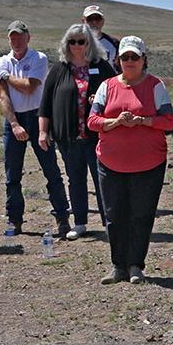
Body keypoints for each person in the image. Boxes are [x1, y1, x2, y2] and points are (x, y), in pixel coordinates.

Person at [88, 36, 173, 284]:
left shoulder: (156, 86)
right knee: (114, 215)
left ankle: (136, 265)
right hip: (110, 162)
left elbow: (168, 122)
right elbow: (92, 121)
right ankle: (118, 266)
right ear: (117, 60)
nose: (129, 61)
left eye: (134, 57)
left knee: (141, 214)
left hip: (149, 164)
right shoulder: (107, 86)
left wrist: (142, 121)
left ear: (143, 60)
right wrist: (114, 122)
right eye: (125, 57)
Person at [0, 21, 71, 237]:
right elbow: (3, 95)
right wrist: (14, 123)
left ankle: (62, 217)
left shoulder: (39, 59)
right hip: (14, 119)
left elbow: (30, 87)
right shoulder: (0, 62)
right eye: (12, 37)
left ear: (28, 37)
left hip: (38, 117)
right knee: (12, 174)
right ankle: (14, 220)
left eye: (19, 36)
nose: (16, 41)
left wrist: (8, 77)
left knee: (51, 170)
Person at [39, 23, 113, 239]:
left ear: (89, 43)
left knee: (102, 179)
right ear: (66, 43)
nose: (77, 46)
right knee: (75, 178)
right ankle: (79, 222)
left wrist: (99, 101)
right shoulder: (59, 68)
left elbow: (116, 92)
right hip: (68, 136)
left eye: (81, 41)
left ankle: (109, 222)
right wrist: (43, 132)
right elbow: (45, 103)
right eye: (72, 41)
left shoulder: (102, 66)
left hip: (96, 136)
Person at [82, 5, 120, 69]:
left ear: (103, 21)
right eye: (90, 19)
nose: (94, 22)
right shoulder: (75, 42)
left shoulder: (114, 43)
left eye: (97, 18)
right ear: (83, 21)